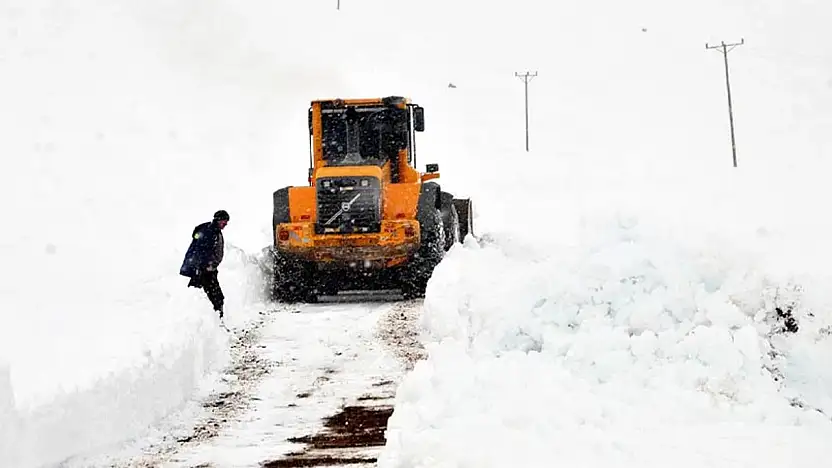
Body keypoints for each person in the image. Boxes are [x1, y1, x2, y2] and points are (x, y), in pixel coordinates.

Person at [180, 210, 230, 318]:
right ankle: (214, 321)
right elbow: (199, 252)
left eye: (227, 222)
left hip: (208, 270)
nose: (226, 224)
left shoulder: (214, 231)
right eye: (224, 221)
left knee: (212, 297)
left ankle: (214, 320)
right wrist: (201, 269)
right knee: (214, 298)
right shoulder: (209, 232)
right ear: (218, 220)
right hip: (203, 271)